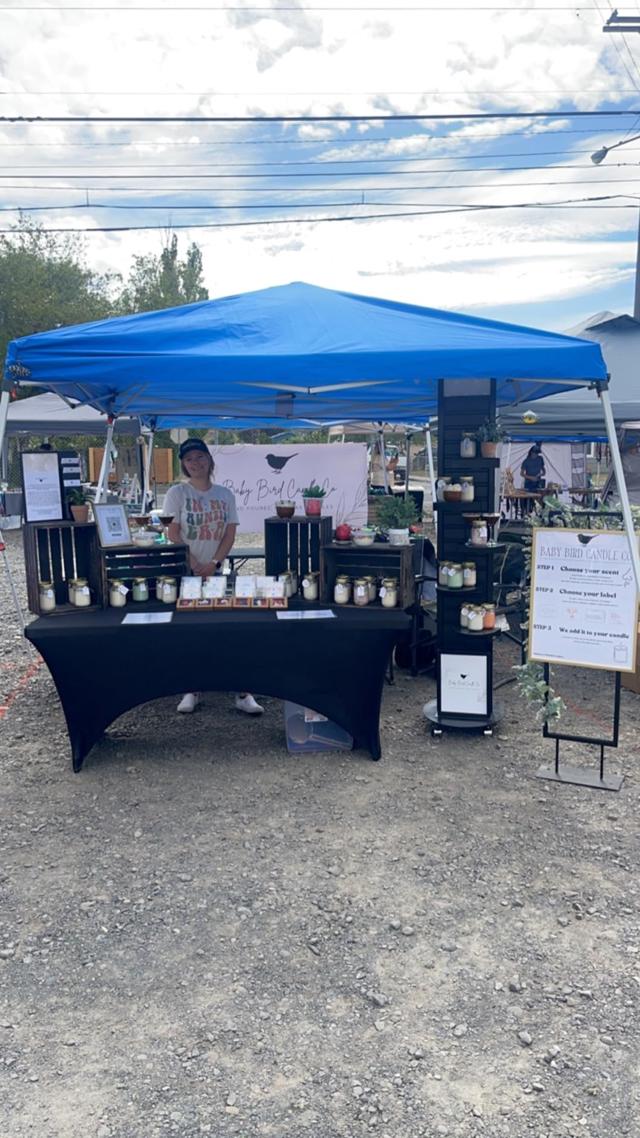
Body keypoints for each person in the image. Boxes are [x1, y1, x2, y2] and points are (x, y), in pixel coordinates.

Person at [164, 438, 264, 716]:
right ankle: (191, 689)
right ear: (183, 465)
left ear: (209, 460)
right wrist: (195, 564)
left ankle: (242, 692)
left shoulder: (225, 494)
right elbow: (172, 533)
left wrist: (215, 563)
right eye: (189, 459)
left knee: (228, 631)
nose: (195, 463)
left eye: (199, 457)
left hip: (217, 573)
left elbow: (229, 534)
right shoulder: (177, 493)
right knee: (189, 633)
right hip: (186, 573)